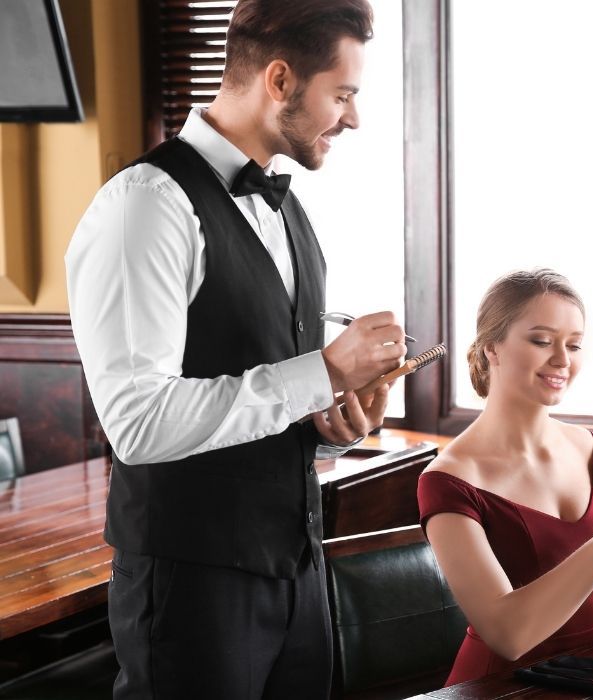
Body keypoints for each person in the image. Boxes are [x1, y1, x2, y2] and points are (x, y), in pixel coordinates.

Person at [65, 1, 406, 698]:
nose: (354, 118)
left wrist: (334, 424)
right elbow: (136, 423)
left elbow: (270, 389)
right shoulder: (144, 206)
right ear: (279, 80)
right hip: (190, 584)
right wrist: (323, 370)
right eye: (342, 94)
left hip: (297, 570)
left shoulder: (290, 208)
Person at [417, 269, 593, 685]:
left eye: (574, 345)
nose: (562, 359)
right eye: (541, 340)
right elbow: (508, 635)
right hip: (500, 688)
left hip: (591, 678)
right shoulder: (448, 480)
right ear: (490, 349)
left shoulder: (588, 448)